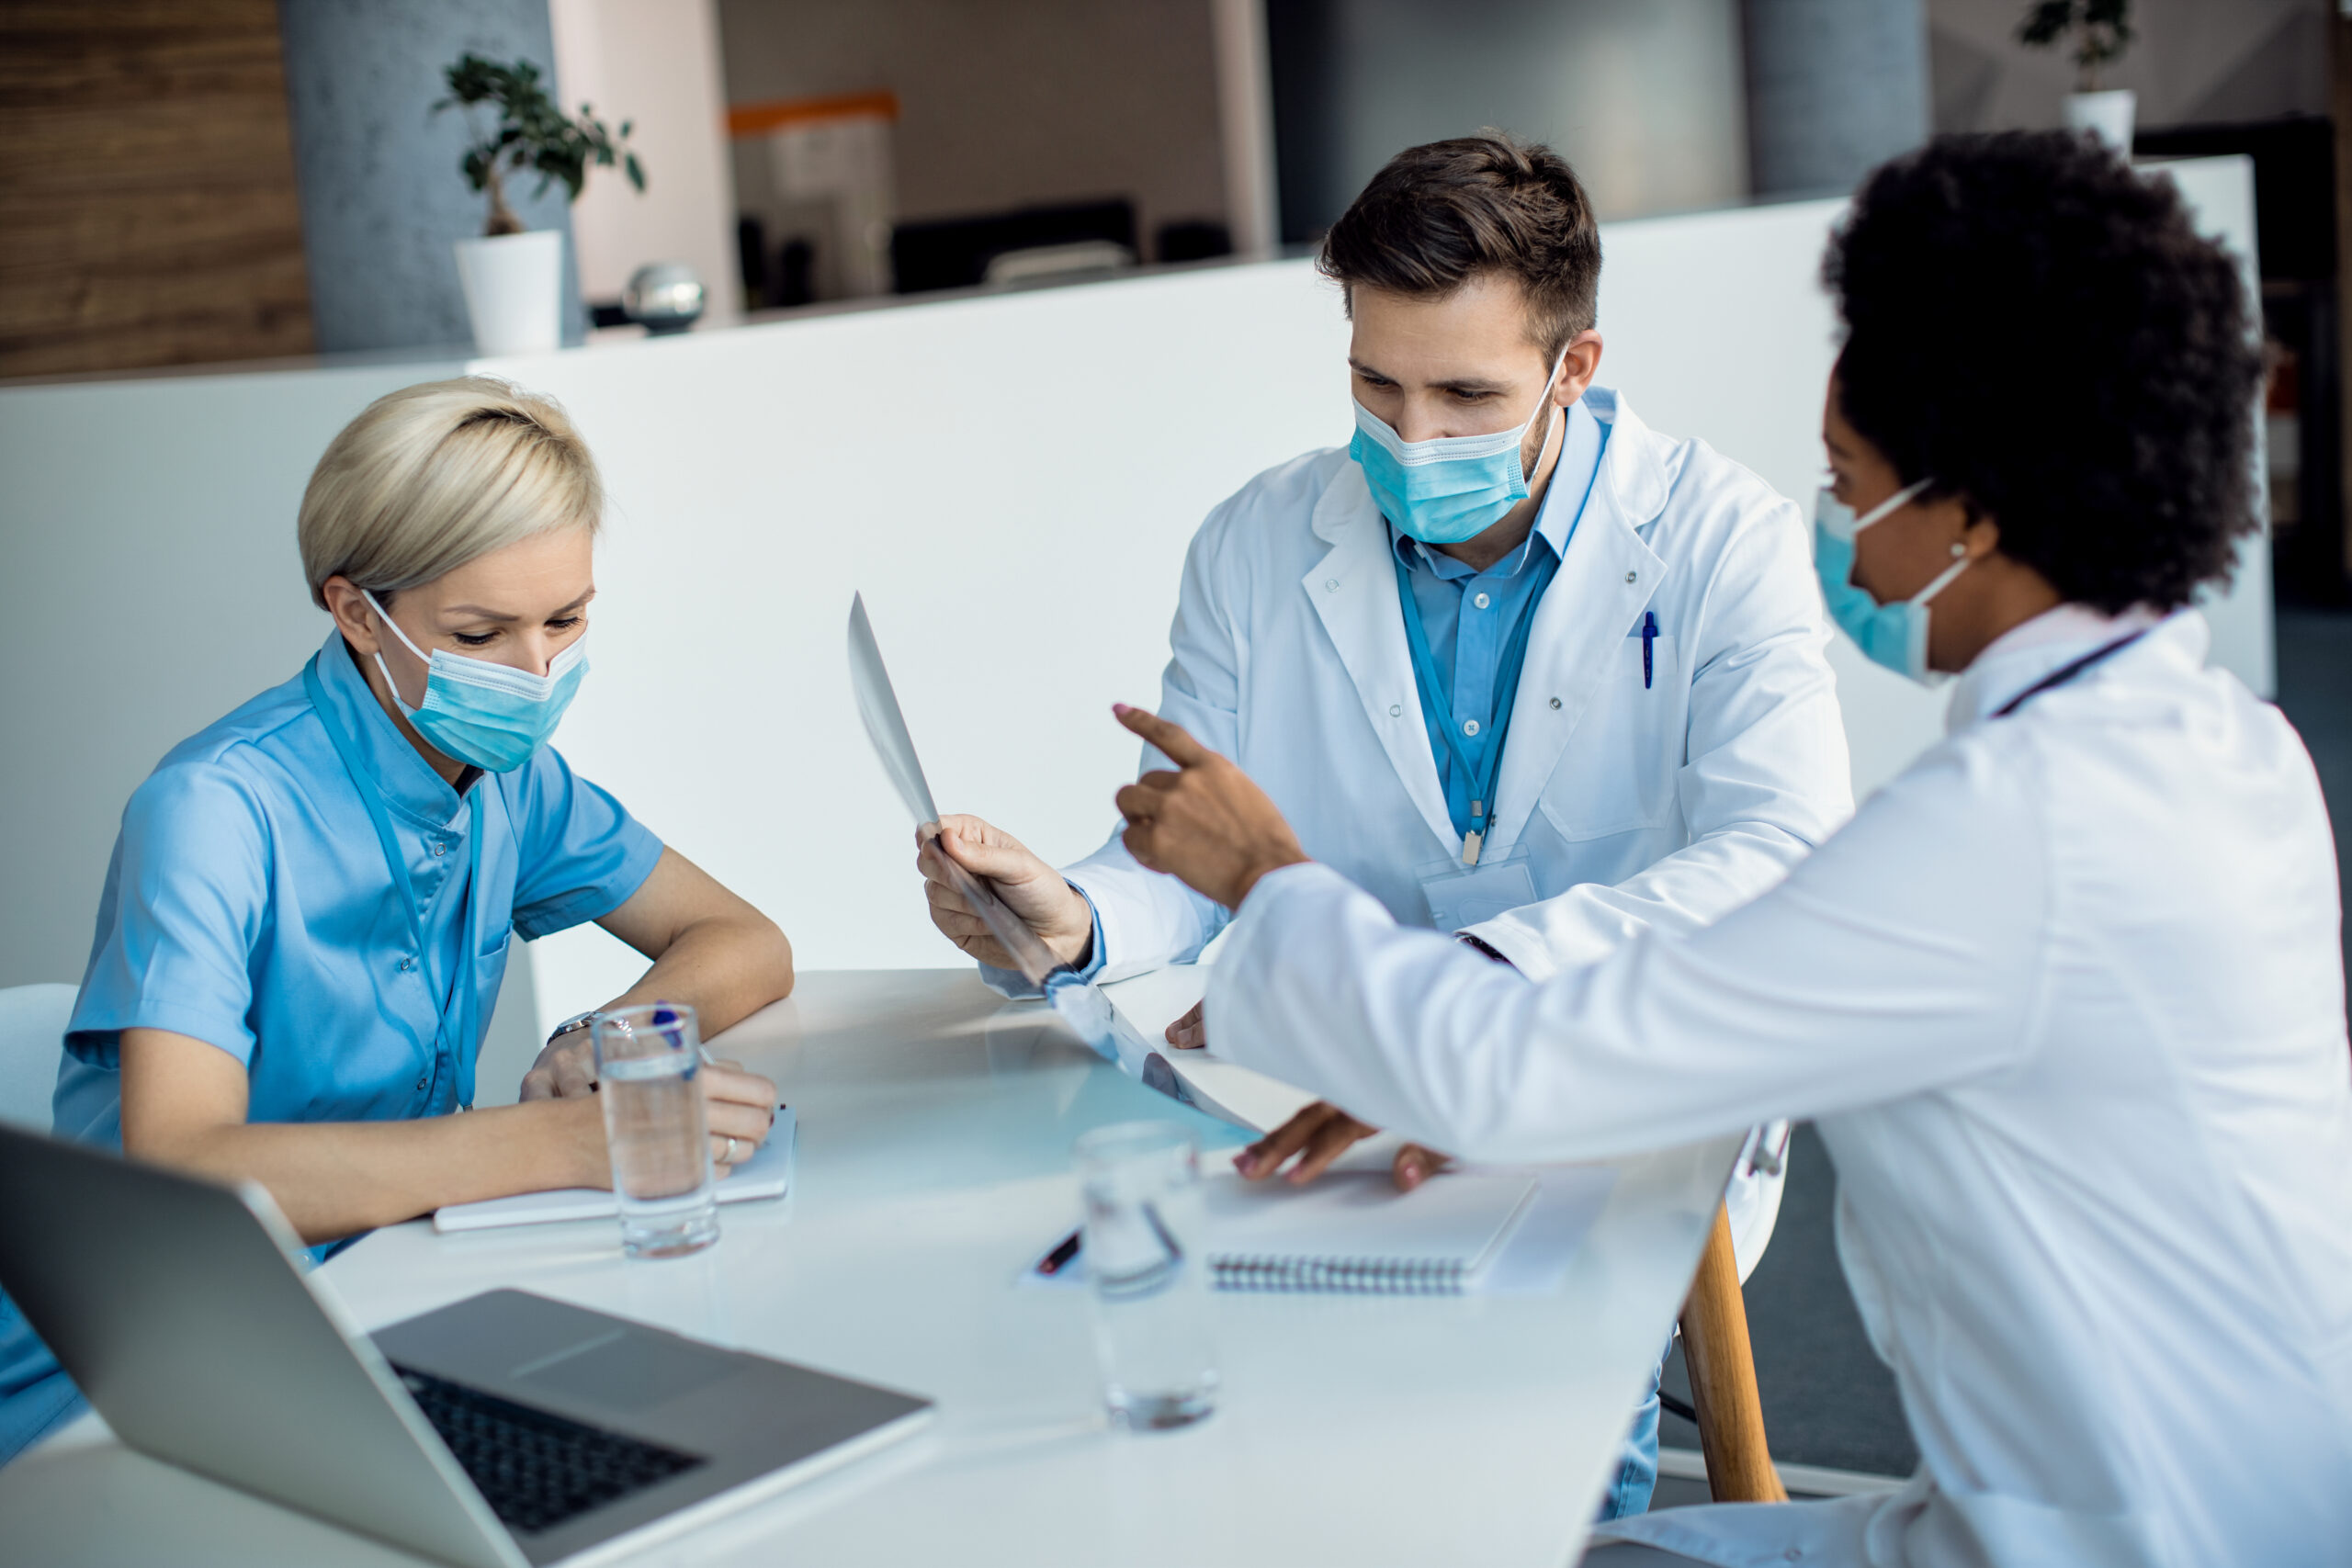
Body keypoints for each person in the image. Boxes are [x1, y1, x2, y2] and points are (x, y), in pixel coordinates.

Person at [1102, 130, 2352, 1566]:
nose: (1840, 533)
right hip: (2245, 1497)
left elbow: (1511, 1067)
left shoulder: (2002, 840)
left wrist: (1273, 877)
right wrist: (1417, 1035)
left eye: (1851, 476)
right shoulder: (2231, 746)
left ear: (1976, 513)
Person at [916, 131, 1854, 1518]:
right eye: (1376, 384)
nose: (1411, 439)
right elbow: (1201, 848)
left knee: (1518, 1475)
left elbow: (1780, 861)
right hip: (1325, 1115)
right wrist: (1083, 914)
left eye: (1468, 394)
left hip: (1599, 1093)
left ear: (1574, 369)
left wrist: (1456, 1002)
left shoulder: (1722, 538)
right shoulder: (1255, 541)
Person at [0, 378, 795, 1466]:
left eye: (565, 619)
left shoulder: (508, 776)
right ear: (353, 611)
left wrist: (601, 1050)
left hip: (384, 1306)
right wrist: (555, 1144)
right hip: (125, 1391)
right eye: (479, 631)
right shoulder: (213, 810)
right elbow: (185, 1171)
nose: (535, 671)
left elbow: (742, 941)